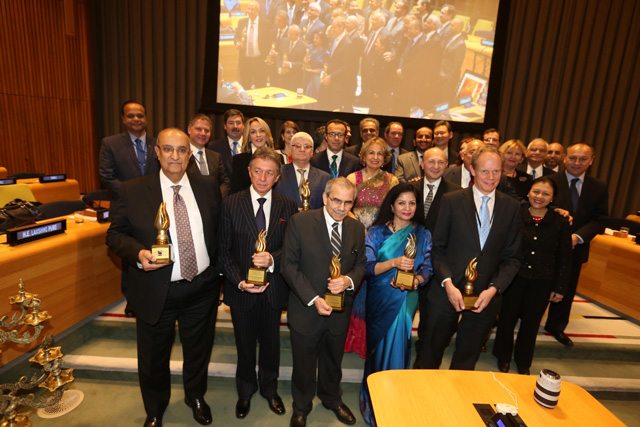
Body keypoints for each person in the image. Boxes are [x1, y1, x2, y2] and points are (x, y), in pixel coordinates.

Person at [106, 128, 222, 427]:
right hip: (157, 290)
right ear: (156, 152)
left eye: (181, 150)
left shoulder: (208, 186)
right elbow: (115, 235)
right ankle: (155, 409)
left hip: (202, 288)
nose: (175, 156)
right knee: (153, 357)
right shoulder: (130, 190)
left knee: (198, 350)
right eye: (168, 149)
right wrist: (138, 253)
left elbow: (220, 232)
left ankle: (195, 396)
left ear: (189, 155)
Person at [416, 146, 522, 370]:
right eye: (485, 171)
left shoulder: (512, 207)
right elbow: (437, 248)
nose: (491, 177)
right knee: (430, 351)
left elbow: (513, 258)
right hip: (447, 290)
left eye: (496, 172)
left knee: (467, 356)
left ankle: (456, 399)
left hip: (486, 295)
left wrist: (494, 289)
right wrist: (447, 283)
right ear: (472, 169)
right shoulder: (451, 201)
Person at [219, 147, 298, 420]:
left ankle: (269, 388)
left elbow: (292, 248)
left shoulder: (288, 205)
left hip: (273, 289)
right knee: (244, 344)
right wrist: (240, 282)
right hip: (241, 290)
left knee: (271, 344)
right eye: (257, 171)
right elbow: (223, 251)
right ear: (248, 172)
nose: (262, 178)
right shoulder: (230, 203)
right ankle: (245, 391)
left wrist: (272, 259)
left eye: (269, 173)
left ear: (277, 177)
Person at [282, 177, 366, 427]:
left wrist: (348, 281)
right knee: (304, 364)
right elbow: (289, 266)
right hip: (306, 308)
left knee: (333, 361)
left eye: (348, 203)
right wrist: (314, 298)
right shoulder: (301, 222)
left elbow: (361, 264)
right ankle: (301, 405)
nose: (341, 207)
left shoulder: (356, 227)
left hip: (340, 310)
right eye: (336, 201)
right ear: (325, 198)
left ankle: (331, 398)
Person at [358, 183, 433, 425]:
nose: (407, 208)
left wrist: (416, 282)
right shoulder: (376, 233)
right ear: (391, 206)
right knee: (377, 349)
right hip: (379, 298)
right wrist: (394, 263)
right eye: (402, 203)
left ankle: (394, 402)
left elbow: (427, 268)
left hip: (405, 299)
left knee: (399, 343)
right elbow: (368, 268)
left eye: (412, 203)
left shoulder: (423, 233)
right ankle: (375, 400)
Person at [493, 177, 571, 375]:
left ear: (553, 198)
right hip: (513, 278)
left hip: (542, 281)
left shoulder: (560, 221)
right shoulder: (514, 214)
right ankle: (503, 356)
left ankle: (523, 360)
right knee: (506, 320)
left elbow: (564, 257)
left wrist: (560, 288)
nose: (539, 197)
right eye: (536, 191)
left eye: (546, 194)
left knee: (531, 323)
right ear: (528, 192)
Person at [544, 143, 609, 347]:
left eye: (583, 159)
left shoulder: (599, 187)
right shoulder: (550, 181)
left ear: (591, 161)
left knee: (567, 289)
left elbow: (600, 219)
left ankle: (556, 327)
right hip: (547, 247)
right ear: (565, 159)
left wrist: (578, 237)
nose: (577, 162)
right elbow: (541, 208)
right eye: (573, 158)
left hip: (576, 248)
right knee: (539, 288)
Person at [412, 147, 461, 366]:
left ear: (447, 165)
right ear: (422, 163)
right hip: (410, 261)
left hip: (440, 263)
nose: (435, 166)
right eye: (431, 161)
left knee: (432, 316)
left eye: (441, 162)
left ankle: (425, 347)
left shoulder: (457, 193)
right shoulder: (409, 188)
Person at [99, 100, 158, 196]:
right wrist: (130, 192)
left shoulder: (158, 143)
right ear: (123, 119)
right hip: (123, 200)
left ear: (146, 119)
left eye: (140, 116)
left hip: (154, 200)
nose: (136, 119)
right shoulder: (110, 143)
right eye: (130, 116)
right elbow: (107, 177)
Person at [347, 137, 399, 229]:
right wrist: (358, 228)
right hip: (355, 229)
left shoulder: (392, 180)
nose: (375, 157)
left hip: (382, 232)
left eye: (380, 153)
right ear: (364, 156)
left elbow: (395, 210)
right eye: (371, 153)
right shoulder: (352, 178)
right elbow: (345, 207)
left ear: (384, 158)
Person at [274, 131, 330, 210]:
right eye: (297, 146)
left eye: (307, 147)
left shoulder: (324, 178)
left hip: (313, 221)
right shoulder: (278, 172)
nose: (302, 149)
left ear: (312, 152)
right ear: (290, 149)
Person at [230, 117, 281, 193]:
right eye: (253, 132)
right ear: (249, 137)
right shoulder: (238, 160)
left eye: (262, 131)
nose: (258, 135)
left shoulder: (279, 158)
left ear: (267, 134)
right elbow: (236, 190)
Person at [186, 114, 231, 197]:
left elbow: (225, 182)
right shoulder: (182, 155)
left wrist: (216, 197)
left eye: (207, 131)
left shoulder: (216, 157)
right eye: (198, 129)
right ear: (189, 130)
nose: (203, 133)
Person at [209, 109, 245, 176]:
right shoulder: (213, 147)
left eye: (238, 123)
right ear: (225, 126)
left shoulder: (251, 146)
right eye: (231, 123)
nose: (235, 126)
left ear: (243, 126)